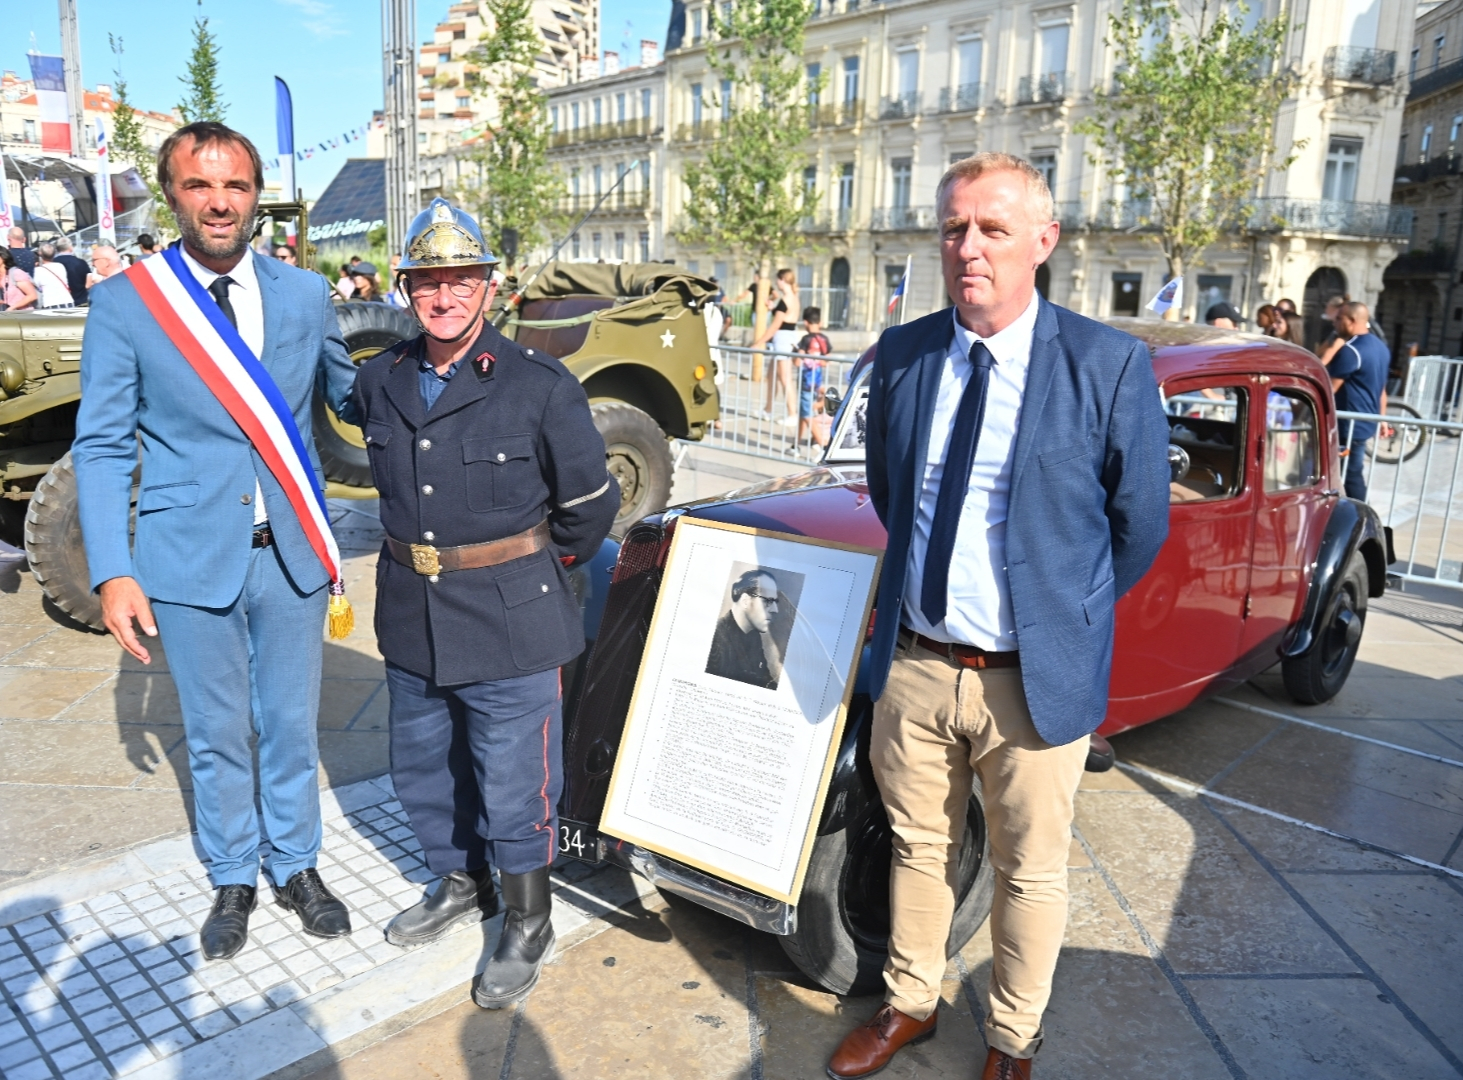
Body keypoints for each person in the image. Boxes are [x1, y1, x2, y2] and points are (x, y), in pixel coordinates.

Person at [827, 152, 1169, 1080]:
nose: (966, 248)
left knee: (1030, 870)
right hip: (919, 666)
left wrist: (1067, 617)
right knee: (916, 846)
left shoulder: (1107, 364)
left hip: (1032, 680)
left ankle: (1013, 1037)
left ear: (1042, 242)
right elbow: (895, 497)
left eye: (991, 229)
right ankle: (910, 999)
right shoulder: (903, 356)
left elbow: (1137, 527)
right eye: (952, 228)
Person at [72, 121, 361, 961]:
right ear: (173, 194)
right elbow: (100, 444)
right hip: (187, 554)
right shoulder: (129, 303)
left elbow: (354, 400)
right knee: (214, 728)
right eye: (200, 186)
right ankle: (234, 873)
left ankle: (297, 865)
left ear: (256, 194)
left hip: (293, 554)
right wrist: (112, 572)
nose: (219, 202)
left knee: (291, 721)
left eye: (234, 185)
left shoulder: (305, 295)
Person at [352, 198, 618, 1008]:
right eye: (427, 281)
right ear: (404, 289)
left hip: (510, 616)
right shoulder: (381, 378)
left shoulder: (538, 385)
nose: (444, 296)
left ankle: (528, 918)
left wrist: (526, 572)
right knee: (425, 769)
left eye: (460, 279)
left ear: (489, 287)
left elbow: (589, 510)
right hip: (410, 611)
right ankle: (458, 882)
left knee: (514, 780)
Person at [1330, 301, 1389, 502]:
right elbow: (1382, 389)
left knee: (1350, 475)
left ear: (1352, 321)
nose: (1335, 323)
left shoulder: (1351, 350)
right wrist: (1382, 418)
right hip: (1364, 423)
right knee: (1350, 473)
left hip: (1348, 426)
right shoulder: (1381, 347)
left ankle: (1364, 519)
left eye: (1339, 318)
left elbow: (1329, 389)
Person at [705, 569, 787, 689]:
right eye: (768, 601)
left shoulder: (753, 636)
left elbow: (764, 680)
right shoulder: (716, 636)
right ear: (745, 601)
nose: (775, 609)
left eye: (775, 601)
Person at [754, 269, 801, 425]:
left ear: (782, 280)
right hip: (787, 337)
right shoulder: (793, 298)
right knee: (772, 375)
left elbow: (775, 326)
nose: (776, 283)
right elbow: (785, 318)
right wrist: (774, 308)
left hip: (782, 339)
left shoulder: (786, 299)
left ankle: (792, 414)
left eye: (778, 280)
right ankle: (767, 409)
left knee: (785, 378)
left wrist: (759, 342)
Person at [795, 307, 832, 448]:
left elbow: (797, 361)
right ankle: (796, 443)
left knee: (807, 414)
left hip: (806, 382)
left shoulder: (805, 340)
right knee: (804, 411)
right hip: (818, 381)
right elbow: (826, 361)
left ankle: (824, 445)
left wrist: (801, 356)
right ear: (820, 322)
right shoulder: (824, 339)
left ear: (805, 322)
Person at [32, 243, 75, 309]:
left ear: (40, 253)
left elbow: (36, 285)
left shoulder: (38, 270)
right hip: (67, 301)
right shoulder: (60, 266)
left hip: (51, 302)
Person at [52, 237, 90, 306]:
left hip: (59, 303)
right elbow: (89, 281)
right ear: (70, 247)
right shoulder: (81, 263)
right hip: (80, 300)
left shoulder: (52, 264)